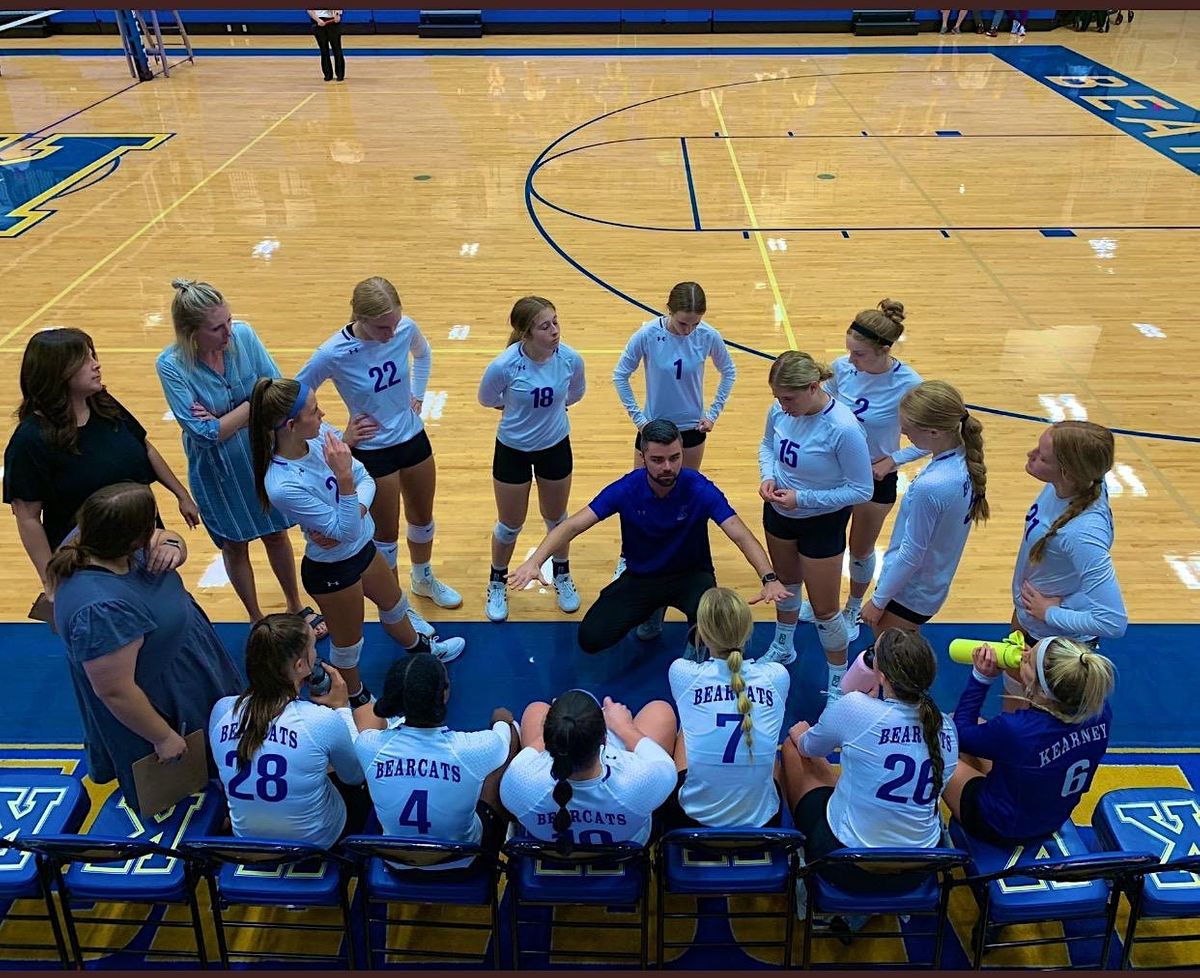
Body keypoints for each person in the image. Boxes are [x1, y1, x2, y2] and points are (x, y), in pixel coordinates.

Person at [249, 378, 465, 708]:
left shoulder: (320, 435)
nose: (322, 413)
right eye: (313, 410)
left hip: (362, 548)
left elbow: (365, 480)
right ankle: (355, 698)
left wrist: (351, 508)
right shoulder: (281, 483)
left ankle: (423, 650)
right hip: (331, 569)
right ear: (291, 426)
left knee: (395, 605)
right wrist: (346, 485)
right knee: (349, 645)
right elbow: (348, 514)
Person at [508, 419, 789, 654]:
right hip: (642, 577)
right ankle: (653, 611)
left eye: (674, 458)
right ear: (642, 458)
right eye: (657, 460)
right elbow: (572, 526)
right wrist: (535, 561)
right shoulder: (626, 489)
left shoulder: (699, 488)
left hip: (691, 576)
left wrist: (769, 578)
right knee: (591, 639)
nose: (667, 466)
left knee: (711, 626)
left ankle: (693, 653)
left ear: (682, 454)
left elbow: (740, 534)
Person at [48, 483, 241, 812]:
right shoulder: (100, 611)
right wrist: (162, 737)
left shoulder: (98, 537)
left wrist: (173, 545)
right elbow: (116, 691)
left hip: (188, 663)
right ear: (131, 538)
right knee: (185, 794)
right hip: (165, 698)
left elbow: (168, 538)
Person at [156, 279, 321, 636]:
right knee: (235, 544)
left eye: (228, 321)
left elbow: (275, 391)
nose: (228, 332)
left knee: (277, 533)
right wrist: (252, 402)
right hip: (218, 471)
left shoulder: (244, 336)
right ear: (190, 333)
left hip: (262, 456)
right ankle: (256, 617)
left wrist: (227, 417)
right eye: (216, 328)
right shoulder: (170, 365)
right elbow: (205, 433)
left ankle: (295, 605)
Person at [297, 276, 461, 612]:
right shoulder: (332, 353)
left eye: (394, 324)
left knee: (423, 519)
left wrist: (417, 394)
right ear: (359, 317)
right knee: (386, 536)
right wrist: (340, 437)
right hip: (374, 452)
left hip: (414, 438)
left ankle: (423, 578)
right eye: (381, 327)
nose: (390, 334)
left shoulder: (404, 328)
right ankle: (397, 603)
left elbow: (423, 354)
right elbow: (297, 397)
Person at [5, 327, 198, 597]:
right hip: (90, 562)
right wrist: (50, 580)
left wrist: (181, 494)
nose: (96, 365)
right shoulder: (31, 441)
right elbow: (27, 518)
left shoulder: (103, 405)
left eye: (92, 355)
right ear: (58, 372)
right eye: (85, 360)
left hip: (142, 541)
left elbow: (144, 447)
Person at [782, 628, 958, 893]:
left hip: (847, 864)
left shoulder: (855, 707)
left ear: (882, 675)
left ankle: (807, 880)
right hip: (920, 869)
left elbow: (809, 747)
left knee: (793, 749)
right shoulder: (946, 726)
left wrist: (800, 733)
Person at [758, 351, 872, 704]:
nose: (781, 405)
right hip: (779, 511)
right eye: (777, 397)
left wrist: (802, 498)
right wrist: (767, 476)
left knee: (824, 609)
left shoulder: (843, 428)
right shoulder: (779, 410)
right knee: (786, 586)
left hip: (821, 522)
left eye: (788, 398)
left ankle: (839, 680)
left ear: (812, 387)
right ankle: (783, 645)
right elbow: (766, 447)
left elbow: (861, 489)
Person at [209, 613, 370, 847]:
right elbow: (354, 776)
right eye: (313, 648)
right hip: (316, 843)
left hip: (247, 843)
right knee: (367, 719)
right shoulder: (320, 721)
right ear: (301, 665)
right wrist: (342, 709)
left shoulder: (222, 710)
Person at [348, 653, 520, 868]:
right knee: (511, 736)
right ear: (444, 693)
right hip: (463, 860)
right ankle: (515, 827)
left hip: (396, 861)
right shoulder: (475, 748)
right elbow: (503, 738)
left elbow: (368, 717)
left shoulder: (368, 745)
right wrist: (501, 721)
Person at [943, 638, 1115, 845]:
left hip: (1000, 825)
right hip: (1053, 818)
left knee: (941, 739)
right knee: (982, 733)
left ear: (1043, 691)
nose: (1023, 655)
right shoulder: (1099, 711)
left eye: (1028, 660)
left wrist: (981, 678)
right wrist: (1034, 662)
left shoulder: (1017, 730)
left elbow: (958, 733)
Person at [477, 296, 586, 623]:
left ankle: (562, 574)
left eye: (555, 322)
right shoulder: (505, 365)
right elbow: (487, 399)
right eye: (545, 326)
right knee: (510, 525)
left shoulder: (570, 359)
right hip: (513, 451)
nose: (554, 330)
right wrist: (517, 411)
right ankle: (497, 580)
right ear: (526, 333)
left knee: (558, 520)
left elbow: (575, 394)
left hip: (555, 446)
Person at [822, 300, 924, 642]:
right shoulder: (841, 368)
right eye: (849, 351)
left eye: (860, 354)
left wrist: (894, 459)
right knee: (828, 541)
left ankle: (853, 605)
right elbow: (822, 408)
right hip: (833, 473)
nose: (851, 360)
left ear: (884, 350)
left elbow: (939, 435)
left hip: (874, 477)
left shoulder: (909, 383)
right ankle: (826, 603)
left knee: (861, 548)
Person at [859, 381, 988, 636]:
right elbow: (922, 445)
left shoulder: (932, 486)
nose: (904, 434)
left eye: (908, 431)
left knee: (890, 661)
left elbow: (911, 554)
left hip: (908, 592)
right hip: (931, 583)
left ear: (934, 432)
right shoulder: (963, 455)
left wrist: (878, 600)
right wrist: (894, 459)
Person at [664, 587, 789, 829]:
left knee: (685, 728)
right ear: (748, 630)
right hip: (763, 822)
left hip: (693, 819)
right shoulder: (777, 676)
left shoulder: (682, 672)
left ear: (701, 632)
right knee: (769, 743)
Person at [500, 690, 677, 851]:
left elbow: (531, 751)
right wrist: (624, 727)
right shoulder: (640, 780)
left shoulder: (518, 781)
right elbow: (664, 764)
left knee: (535, 709)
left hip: (547, 848)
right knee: (660, 711)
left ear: (549, 739)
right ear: (604, 739)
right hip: (626, 847)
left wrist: (558, 727)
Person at [1013, 421, 1126, 647]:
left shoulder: (1081, 533)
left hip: (1053, 639)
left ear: (1068, 473)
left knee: (1024, 683)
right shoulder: (1084, 481)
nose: (1031, 454)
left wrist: (1050, 613)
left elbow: (1113, 621)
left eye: (1043, 458)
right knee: (1012, 681)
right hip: (1029, 616)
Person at [612, 282, 736, 473]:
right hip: (654, 427)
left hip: (692, 429)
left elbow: (729, 371)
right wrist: (639, 420)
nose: (688, 331)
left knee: (683, 495)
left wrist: (713, 414)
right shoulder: (648, 334)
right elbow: (620, 375)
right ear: (669, 311)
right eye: (682, 323)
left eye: (695, 324)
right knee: (642, 493)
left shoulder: (708, 336)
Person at [307, 9, 345, 82]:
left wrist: (337, 15)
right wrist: (318, 20)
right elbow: (310, 10)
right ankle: (328, 75)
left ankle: (340, 75)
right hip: (318, 22)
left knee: (337, 49)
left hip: (333, 22)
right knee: (324, 50)